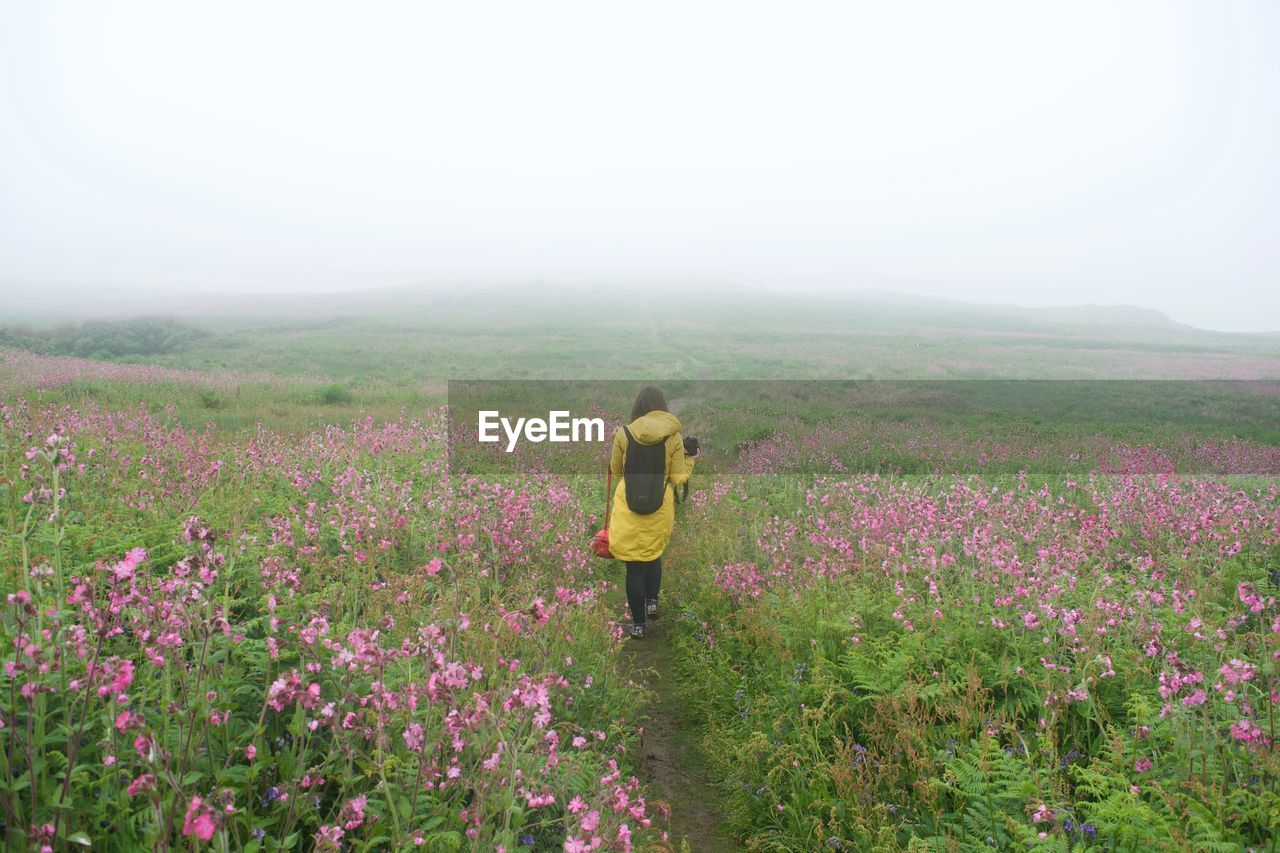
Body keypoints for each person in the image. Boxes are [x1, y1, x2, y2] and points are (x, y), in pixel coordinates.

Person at [607, 385, 696, 639]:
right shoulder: (674, 437)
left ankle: (638, 625)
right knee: (653, 555)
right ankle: (652, 602)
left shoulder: (623, 434)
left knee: (634, 566)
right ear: (662, 408)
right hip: (660, 505)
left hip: (628, 506)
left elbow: (617, 470)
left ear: (638, 407)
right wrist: (690, 459)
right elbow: (678, 478)